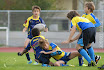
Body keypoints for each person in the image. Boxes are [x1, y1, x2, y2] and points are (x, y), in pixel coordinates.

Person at [77, 1, 101, 65]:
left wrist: (91, 26)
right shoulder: (83, 15)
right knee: (88, 46)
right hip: (86, 32)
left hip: (88, 32)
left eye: (85, 7)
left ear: (89, 9)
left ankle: (90, 61)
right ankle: (94, 60)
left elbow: (98, 23)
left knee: (79, 47)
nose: (84, 8)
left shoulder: (92, 16)